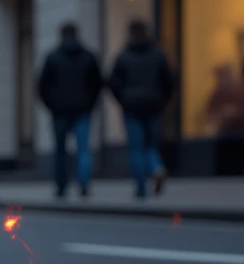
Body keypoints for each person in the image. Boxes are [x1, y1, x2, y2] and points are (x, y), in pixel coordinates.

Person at [109, 20, 174, 198]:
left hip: (132, 107)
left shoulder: (123, 56)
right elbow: (168, 81)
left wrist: (123, 99)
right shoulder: (158, 55)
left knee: (137, 147)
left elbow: (113, 82)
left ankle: (140, 188)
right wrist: (162, 100)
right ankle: (157, 167)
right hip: (153, 105)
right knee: (150, 145)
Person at [38, 22, 104, 198]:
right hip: (82, 110)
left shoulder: (52, 57)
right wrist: (90, 105)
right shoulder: (88, 56)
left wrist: (52, 105)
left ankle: (61, 187)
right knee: (83, 149)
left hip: (59, 111)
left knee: (60, 151)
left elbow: (42, 86)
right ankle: (83, 183)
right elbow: (97, 84)